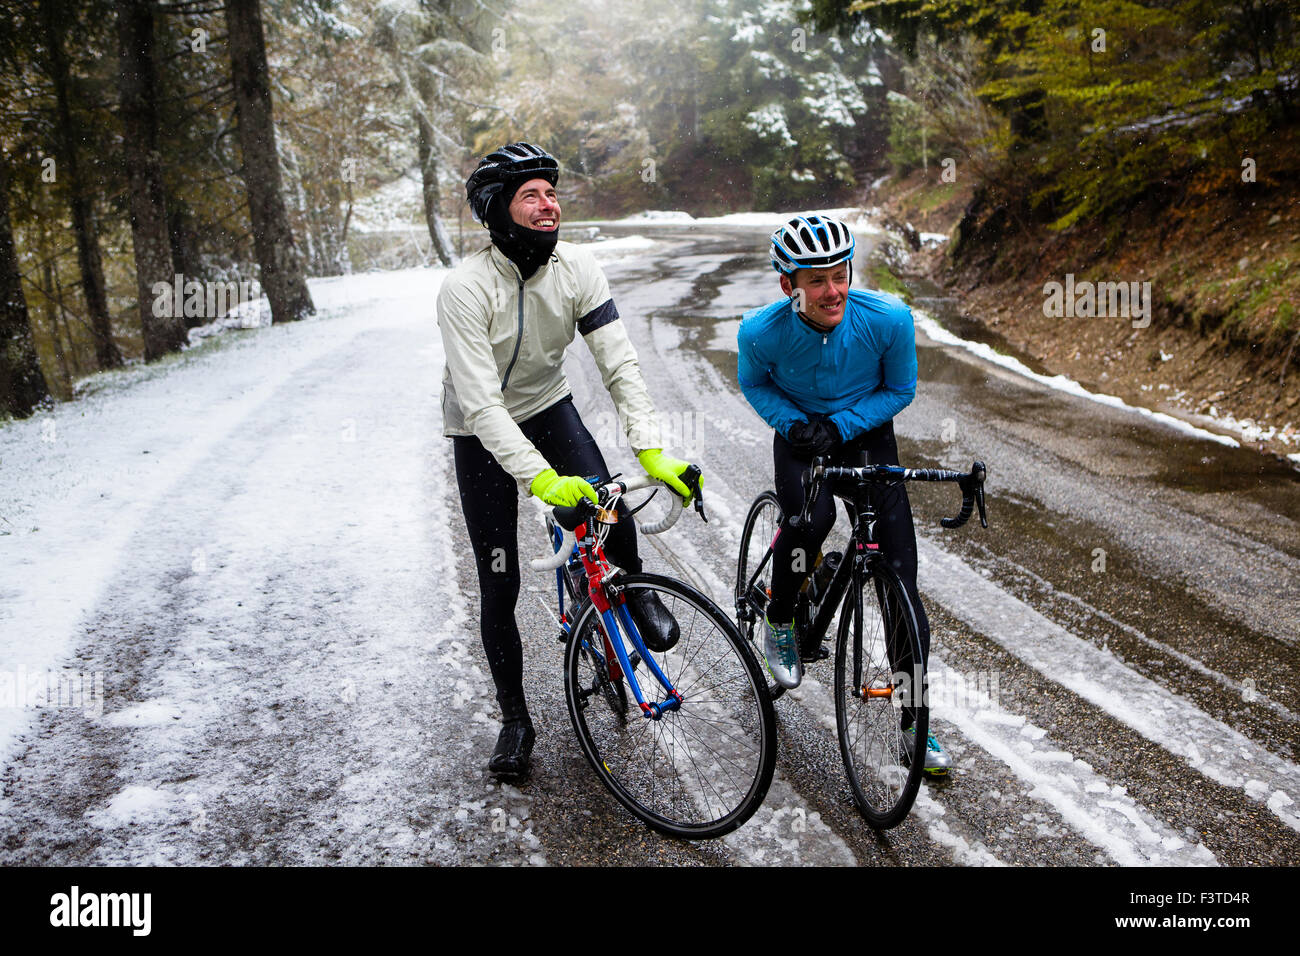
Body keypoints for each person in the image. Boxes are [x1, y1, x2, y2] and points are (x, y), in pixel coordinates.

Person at [437, 142, 700, 780]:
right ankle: (515, 720)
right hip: (481, 429)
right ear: (498, 210)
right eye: (531, 194)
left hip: (548, 404)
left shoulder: (578, 268)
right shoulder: (465, 289)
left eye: (552, 192)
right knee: (499, 583)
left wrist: (651, 449)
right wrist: (543, 482)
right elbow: (481, 407)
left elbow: (620, 364)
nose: (548, 203)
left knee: (609, 501)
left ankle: (628, 596)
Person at [736, 213, 950, 773]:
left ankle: (915, 722)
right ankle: (780, 618)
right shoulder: (760, 331)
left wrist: (846, 425)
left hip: (865, 430)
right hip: (801, 433)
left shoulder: (889, 318)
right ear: (789, 286)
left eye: (840, 275)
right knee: (809, 520)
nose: (833, 290)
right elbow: (754, 382)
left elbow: (901, 387)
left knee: (900, 578)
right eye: (817, 279)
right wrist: (790, 422)